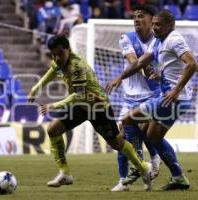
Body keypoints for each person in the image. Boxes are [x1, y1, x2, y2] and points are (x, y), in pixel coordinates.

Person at [27, 34, 154, 189]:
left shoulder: (77, 66)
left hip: (97, 106)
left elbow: (79, 94)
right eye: (53, 54)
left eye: (60, 53)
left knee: (117, 143)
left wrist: (54, 105)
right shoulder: (58, 62)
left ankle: (144, 169)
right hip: (81, 106)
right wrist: (35, 89)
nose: (57, 58)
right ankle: (65, 173)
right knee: (53, 129)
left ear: (68, 49)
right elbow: (51, 73)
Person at [109, 9, 198, 190]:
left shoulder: (174, 39)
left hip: (172, 99)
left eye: (159, 24)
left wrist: (176, 90)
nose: (155, 27)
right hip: (173, 100)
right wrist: (120, 77)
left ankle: (139, 166)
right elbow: (140, 63)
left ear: (170, 26)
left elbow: (192, 63)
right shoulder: (158, 41)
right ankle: (178, 177)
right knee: (152, 137)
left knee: (127, 120)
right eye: (154, 24)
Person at [106, 5, 160, 192]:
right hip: (129, 98)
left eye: (141, 16)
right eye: (134, 16)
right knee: (120, 139)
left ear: (152, 20)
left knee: (145, 133)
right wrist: (125, 76)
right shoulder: (126, 38)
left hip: (151, 94)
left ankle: (154, 160)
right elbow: (133, 62)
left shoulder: (159, 40)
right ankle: (124, 180)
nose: (136, 19)